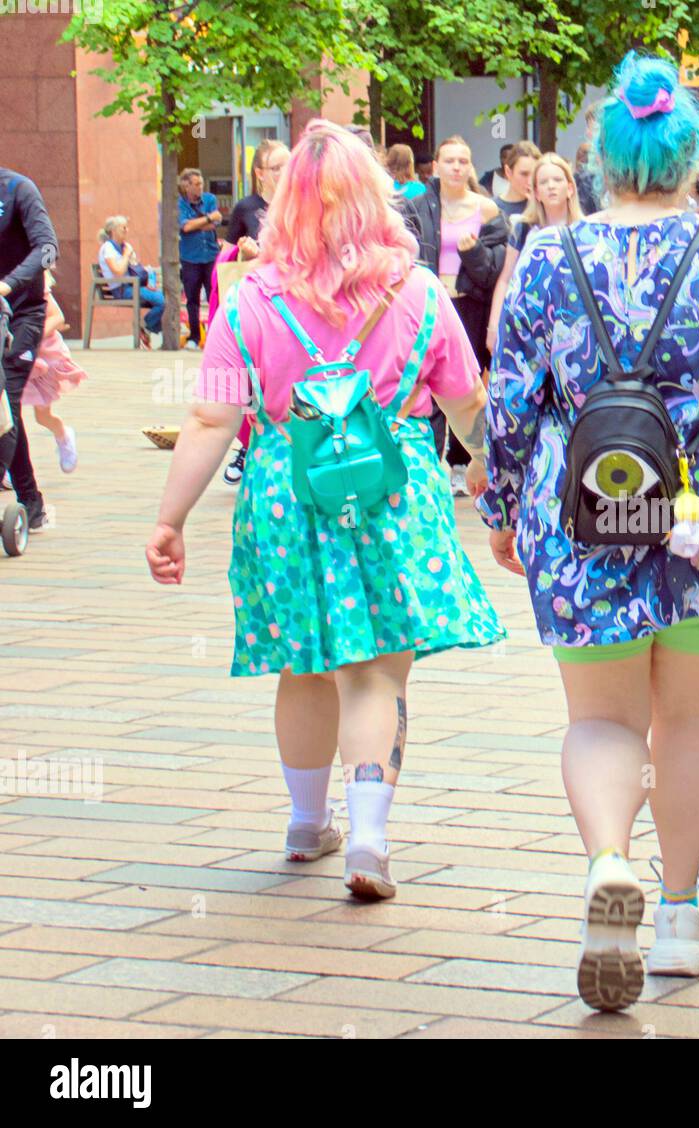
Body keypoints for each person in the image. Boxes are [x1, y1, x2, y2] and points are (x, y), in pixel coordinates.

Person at [480, 52, 699, 1013]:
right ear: (688, 158)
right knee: (691, 718)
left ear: (601, 159)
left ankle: (605, 865)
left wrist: (501, 508)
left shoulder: (548, 258)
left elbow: (509, 402)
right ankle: (678, 914)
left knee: (599, 720)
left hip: (578, 518)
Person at [146, 119, 504, 902]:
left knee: (303, 664)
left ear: (285, 208)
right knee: (376, 672)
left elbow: (210, 419)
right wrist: (493, 476)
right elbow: (469, 404)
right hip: (391, 491)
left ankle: (307, 823)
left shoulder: (248, 303)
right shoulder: (418, 293)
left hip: (286, 491)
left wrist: (170, 518)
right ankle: (369, 837)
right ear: (376, 197)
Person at [405, 135, 508, 494]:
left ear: (471, 166)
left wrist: (474, 253)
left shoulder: (488, 209)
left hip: (468, 304)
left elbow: (494, 270)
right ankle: (433, 461)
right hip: (430, 302)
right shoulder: (416, 207)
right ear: (435, 166)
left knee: (465, 383)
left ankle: (466, 462)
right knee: (427, 381)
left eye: (463, 161)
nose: (456, 167)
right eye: (449, 160)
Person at [217, 139, 290, 486]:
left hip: (294, 303)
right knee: (252, 375)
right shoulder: (246, 208)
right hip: (257, 304)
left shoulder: (298, 204)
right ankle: (248, 445)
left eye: (288, 165)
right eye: (276, 167)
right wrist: (243, 254)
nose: (284, 172)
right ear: (260, 172)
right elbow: (225, 260)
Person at [0, 165, 57, 532]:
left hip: (22, 311)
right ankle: (31, 502)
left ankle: (29, 502)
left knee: (6, 395)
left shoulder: (19, 188)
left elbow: (48, 249)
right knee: (8, 408)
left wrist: (8, 285)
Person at [486, 152, 582, 352]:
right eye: (544, 182)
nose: (551, 186)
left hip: (573, 322)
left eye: (557, 180)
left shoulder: (584, 230)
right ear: (536, 192)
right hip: (529, 322)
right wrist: (494, 325)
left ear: (570, 188)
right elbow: (506, 278)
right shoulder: (524, 229)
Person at [21, 270, 85, 473]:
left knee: (42, 415)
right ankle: (10, 468)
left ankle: (63, 435)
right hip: (15, 357)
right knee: (9, 416)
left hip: (43, 356)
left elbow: (57, 317)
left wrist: (31, 336)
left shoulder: (33, 282)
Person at [97, 215, 165, 346]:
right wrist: (126, 254)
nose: (127, 230)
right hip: (122, 290)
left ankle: (147, 328)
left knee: (166, 300)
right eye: (123, 228)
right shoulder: (108, 248)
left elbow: (135, 267)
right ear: (113, 231)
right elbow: (118, 271)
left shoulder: (124, 246)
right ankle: (145, 326)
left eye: (127, 227)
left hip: (134, 286)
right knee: (162, 301)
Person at [178, 169, 222, 347]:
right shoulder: (180, 204)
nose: (200, 187)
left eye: (201, 183)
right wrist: (207, 219)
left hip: (211, 255)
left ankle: (216, 336)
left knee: (214, 296)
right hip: (190, 257)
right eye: (196, 184)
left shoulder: (210, 199)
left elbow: (216, 222)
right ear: (186, 186)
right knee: (192, 299)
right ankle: (194, 337)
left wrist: (198, 223)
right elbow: (185, 227)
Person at [493, 141, 541, 222]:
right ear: (508, 172)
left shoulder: (544, 207)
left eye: (534, 174)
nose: (530, 181)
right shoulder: (492, 208)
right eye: (524, 174)